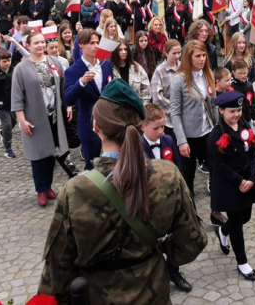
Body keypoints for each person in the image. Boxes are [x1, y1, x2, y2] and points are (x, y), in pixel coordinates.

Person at [37, 79, 207, 303]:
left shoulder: (75, 190)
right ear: (140, 127)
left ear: (96, 127)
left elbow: (56, 273)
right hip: (152, 294)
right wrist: (155, 251)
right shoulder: (167, 176)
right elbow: (192, 242)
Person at [11, 30, 70, 206]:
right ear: (27, 45)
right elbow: (16, 97)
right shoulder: (21, 69)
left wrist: (67, 106)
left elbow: (62, 87)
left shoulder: (53, 62)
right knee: (38, 155)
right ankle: (40, 189)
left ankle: (48, 185)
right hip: (34, 118)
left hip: (54, 116)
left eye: (42, 42)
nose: (40, 46)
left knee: (52, 152)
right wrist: (21, 120)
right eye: (36, 43)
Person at [208, 89, 255, 281]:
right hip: (231, 184)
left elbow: (254, 154)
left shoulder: (245, 127)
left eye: (239, 110)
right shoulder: (217, 134)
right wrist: (239, 182)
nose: (237, 115)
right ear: (221, 111)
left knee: (245, 217)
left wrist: (252, 178)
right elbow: (219, 165)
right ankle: (242, 262)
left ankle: (223, 230)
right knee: (237, 224)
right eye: (232, 111)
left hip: (248, 180)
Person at [140, 103, 194, 293]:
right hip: (149, 203)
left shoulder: (168, 141)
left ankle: (174, 271)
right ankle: (153, 276)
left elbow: (178, 169)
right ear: (142, 126)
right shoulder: (137, 147)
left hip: (169, 201)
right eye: (156, 128)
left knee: (174, 238)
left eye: (163, 127)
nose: (161, 131)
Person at [170, 40, 218, 198]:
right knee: (188, 176)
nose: (202, 59)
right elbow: (175, 113)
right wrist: (181, 140)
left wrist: (218, 129)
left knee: (216, 170)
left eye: (204, 55)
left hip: (207, 131)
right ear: (188, 58)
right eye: (198, 56)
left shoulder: (208, 74)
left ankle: (216, 212)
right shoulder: (179, 80)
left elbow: (214, 105)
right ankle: (189, 212)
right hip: (189, 136)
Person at [65, 29, 115, 170]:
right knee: (91, 165)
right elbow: (68, 98)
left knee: (110, 163)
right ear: (81, 45)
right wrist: (81, 82)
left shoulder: (105, 64)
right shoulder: (73, 71)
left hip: (109, 122)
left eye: (97, 42)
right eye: (91, 43)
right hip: (88, 124)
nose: (96, 46)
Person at [0, 49, 17, 158]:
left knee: (13, 123)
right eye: (4, 61)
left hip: (13, 102)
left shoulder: (14, 71)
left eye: (9, 60)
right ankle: (8, 147)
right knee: (7, 125)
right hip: (1, 104)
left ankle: (3, 132)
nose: (7, 63)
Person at [230, 59, 255, 126]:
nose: (243, 75)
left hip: (248, 119)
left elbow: (253, 102)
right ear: (234, 73)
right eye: (240, 73)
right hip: (236, 120)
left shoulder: (249, 85)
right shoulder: (231, 86)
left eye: (245, 73)